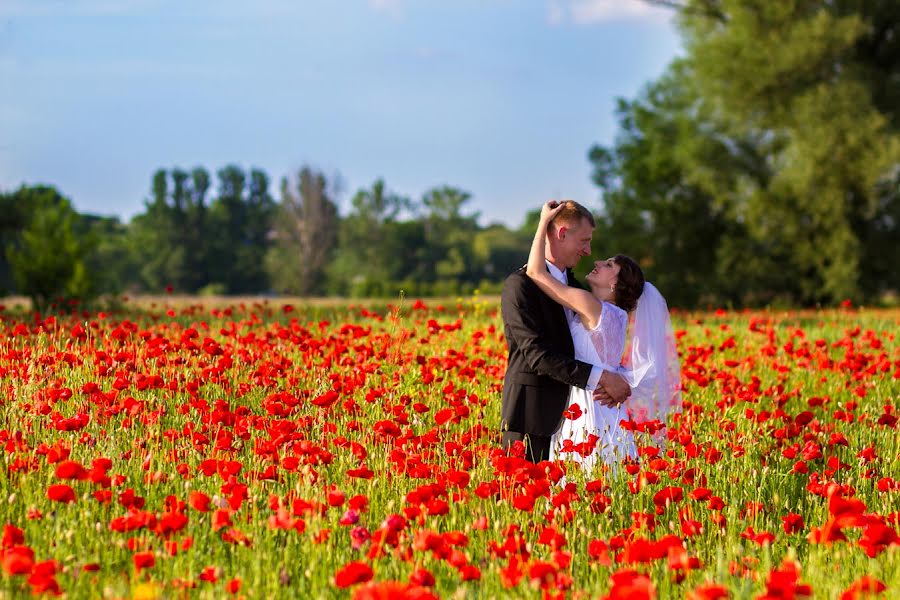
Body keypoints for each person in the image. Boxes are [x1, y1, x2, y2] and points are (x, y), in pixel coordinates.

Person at [525, 201, 682, 471]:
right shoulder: (616, 316)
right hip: (607, 406)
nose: (597, 261)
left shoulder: (592, 306)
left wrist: (543, 223)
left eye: (609, 264)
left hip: (588, 403)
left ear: (615, 283)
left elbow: (535, 273)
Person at [500, 200, 632, 463]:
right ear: (562, 234)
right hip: (532, 417)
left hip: (579, 420)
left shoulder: (576, 288)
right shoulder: (521, 286)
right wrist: (602, 377)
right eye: (584, 240)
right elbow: (537, 355)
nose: (588, 250)